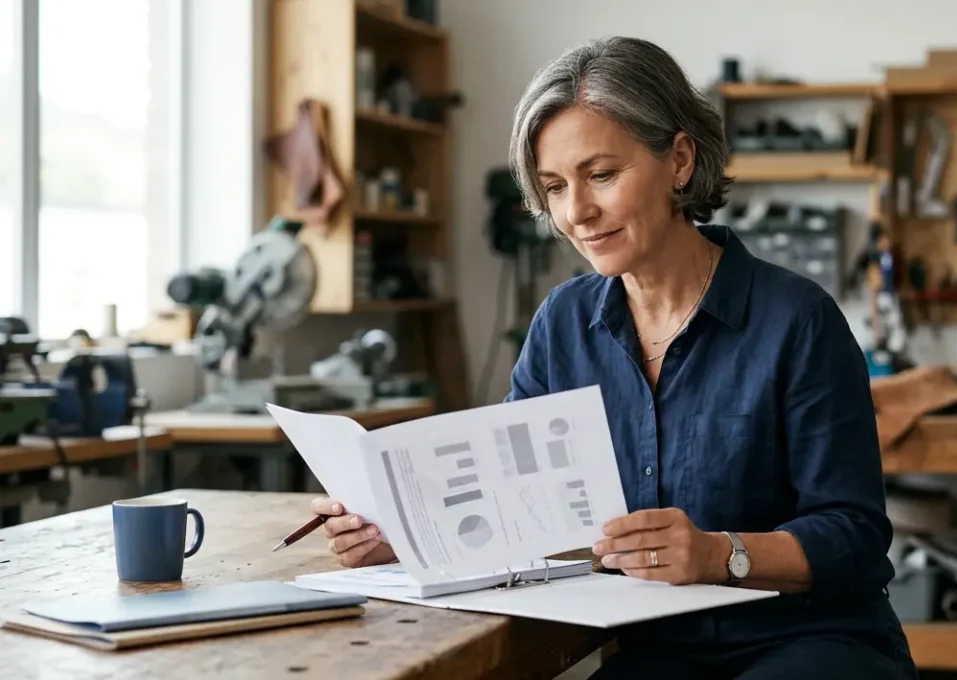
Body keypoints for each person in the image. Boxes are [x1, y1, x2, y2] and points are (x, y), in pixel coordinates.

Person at [311, 36, 916, 680]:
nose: (577, 212)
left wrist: (719, 554)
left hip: (813, 643)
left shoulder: (797, 319)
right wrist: (404, 539)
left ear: (679, 160)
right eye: (554, 186)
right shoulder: (562, 325)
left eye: (601, 174)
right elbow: (517, 514)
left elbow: (854, 537)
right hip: (659, 651)